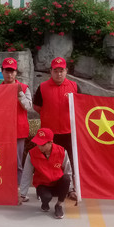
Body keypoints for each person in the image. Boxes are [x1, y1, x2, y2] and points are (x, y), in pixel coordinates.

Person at [33, 57, 80, 201]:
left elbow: (81, 106)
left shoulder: (74, 86)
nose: (59, 74)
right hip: (49, 134)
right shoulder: (43, 87)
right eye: (56, 71)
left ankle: (71, 189)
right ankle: (44, 187)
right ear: (50, 71)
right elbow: (37, 106)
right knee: (46, 161)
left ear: (66, 71)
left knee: (70, 162)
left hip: (68, 132)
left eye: (61, 70)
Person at [19, 128, 73, 219]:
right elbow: (27, 174)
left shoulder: (62, 151)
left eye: (43, 144)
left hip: (57, 183)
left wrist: (71, 190)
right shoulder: (31, 154)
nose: (39, 147)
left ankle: (59, 205)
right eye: (37, 143)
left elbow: (68, 171)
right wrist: (22, 194)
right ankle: (45, 203)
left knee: (66, 178)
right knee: (46, 197)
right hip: (43, 185)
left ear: (51, 142)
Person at [0, 57, 32, 201]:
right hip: (2, 132)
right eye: (7, 71)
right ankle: (3, 189)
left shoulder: (24, 88)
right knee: (2, 161)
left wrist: (20, 94)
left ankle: (19, 191)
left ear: (16, 73)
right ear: (2, 72)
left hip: (19, 131)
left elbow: (28, 106)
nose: (10, 74)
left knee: (18, 162)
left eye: (12, 71)